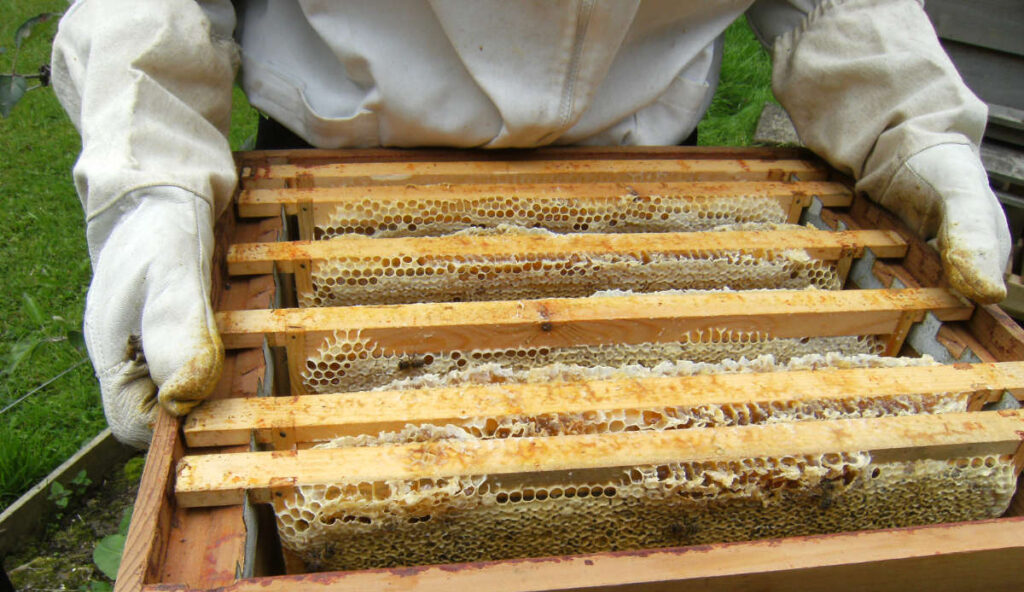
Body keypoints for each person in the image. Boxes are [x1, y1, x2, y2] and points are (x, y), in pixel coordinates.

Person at [51, 0, 1010, 449]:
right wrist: (153, 176)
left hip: (650, 197)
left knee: (686, 494)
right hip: (338, 168)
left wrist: (907, 116)